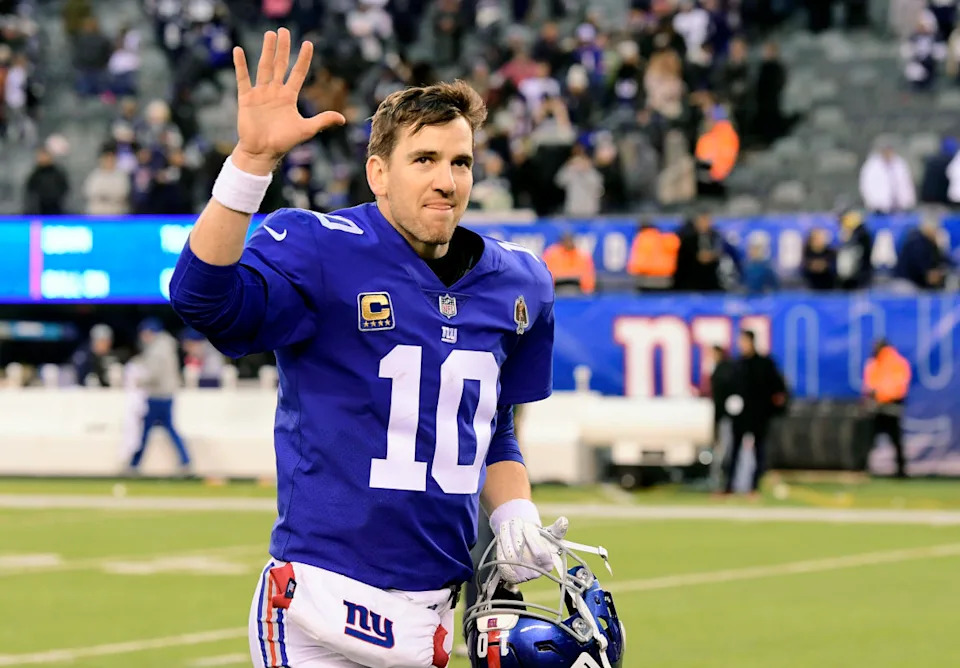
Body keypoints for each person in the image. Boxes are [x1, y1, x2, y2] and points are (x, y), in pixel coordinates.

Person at [168, 29, 564, 668]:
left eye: (460, 162)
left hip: (434, 614)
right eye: (425, 159)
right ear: (378, 172)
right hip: (319, 609)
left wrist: (514, 509)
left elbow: (492, 428)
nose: (446, 180)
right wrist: (249, 163)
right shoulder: (324, 250)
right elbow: (200, 298)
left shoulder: (519, 283)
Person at [722, 329, 787, 497]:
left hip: (758, 416)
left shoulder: (764, 364)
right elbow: (728, 390)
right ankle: (729, 486)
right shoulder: (737, 365)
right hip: (740, 417)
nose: (741, 345)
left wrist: (772, 409)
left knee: (759, 452)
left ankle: (753, 487)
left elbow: (778, 389)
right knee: (734, 451)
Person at [127, 318, 191, 475]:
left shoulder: (157, 350)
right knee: (167, 429)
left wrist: (139, 381)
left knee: (146, 430)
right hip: (167, 394)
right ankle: (185, 461)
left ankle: (134, 463)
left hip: (157, 396)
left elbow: (154, 374)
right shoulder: (165, 346)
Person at [862, 339, 912, 478]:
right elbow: (870, 384)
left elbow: (897, 386)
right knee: (881, 439)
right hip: (880, 407)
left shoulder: (894, 363)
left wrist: (879, 396)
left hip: (890, 406)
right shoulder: (877, 362)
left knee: (890, 439)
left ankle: (900, 470)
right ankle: (898, 469)